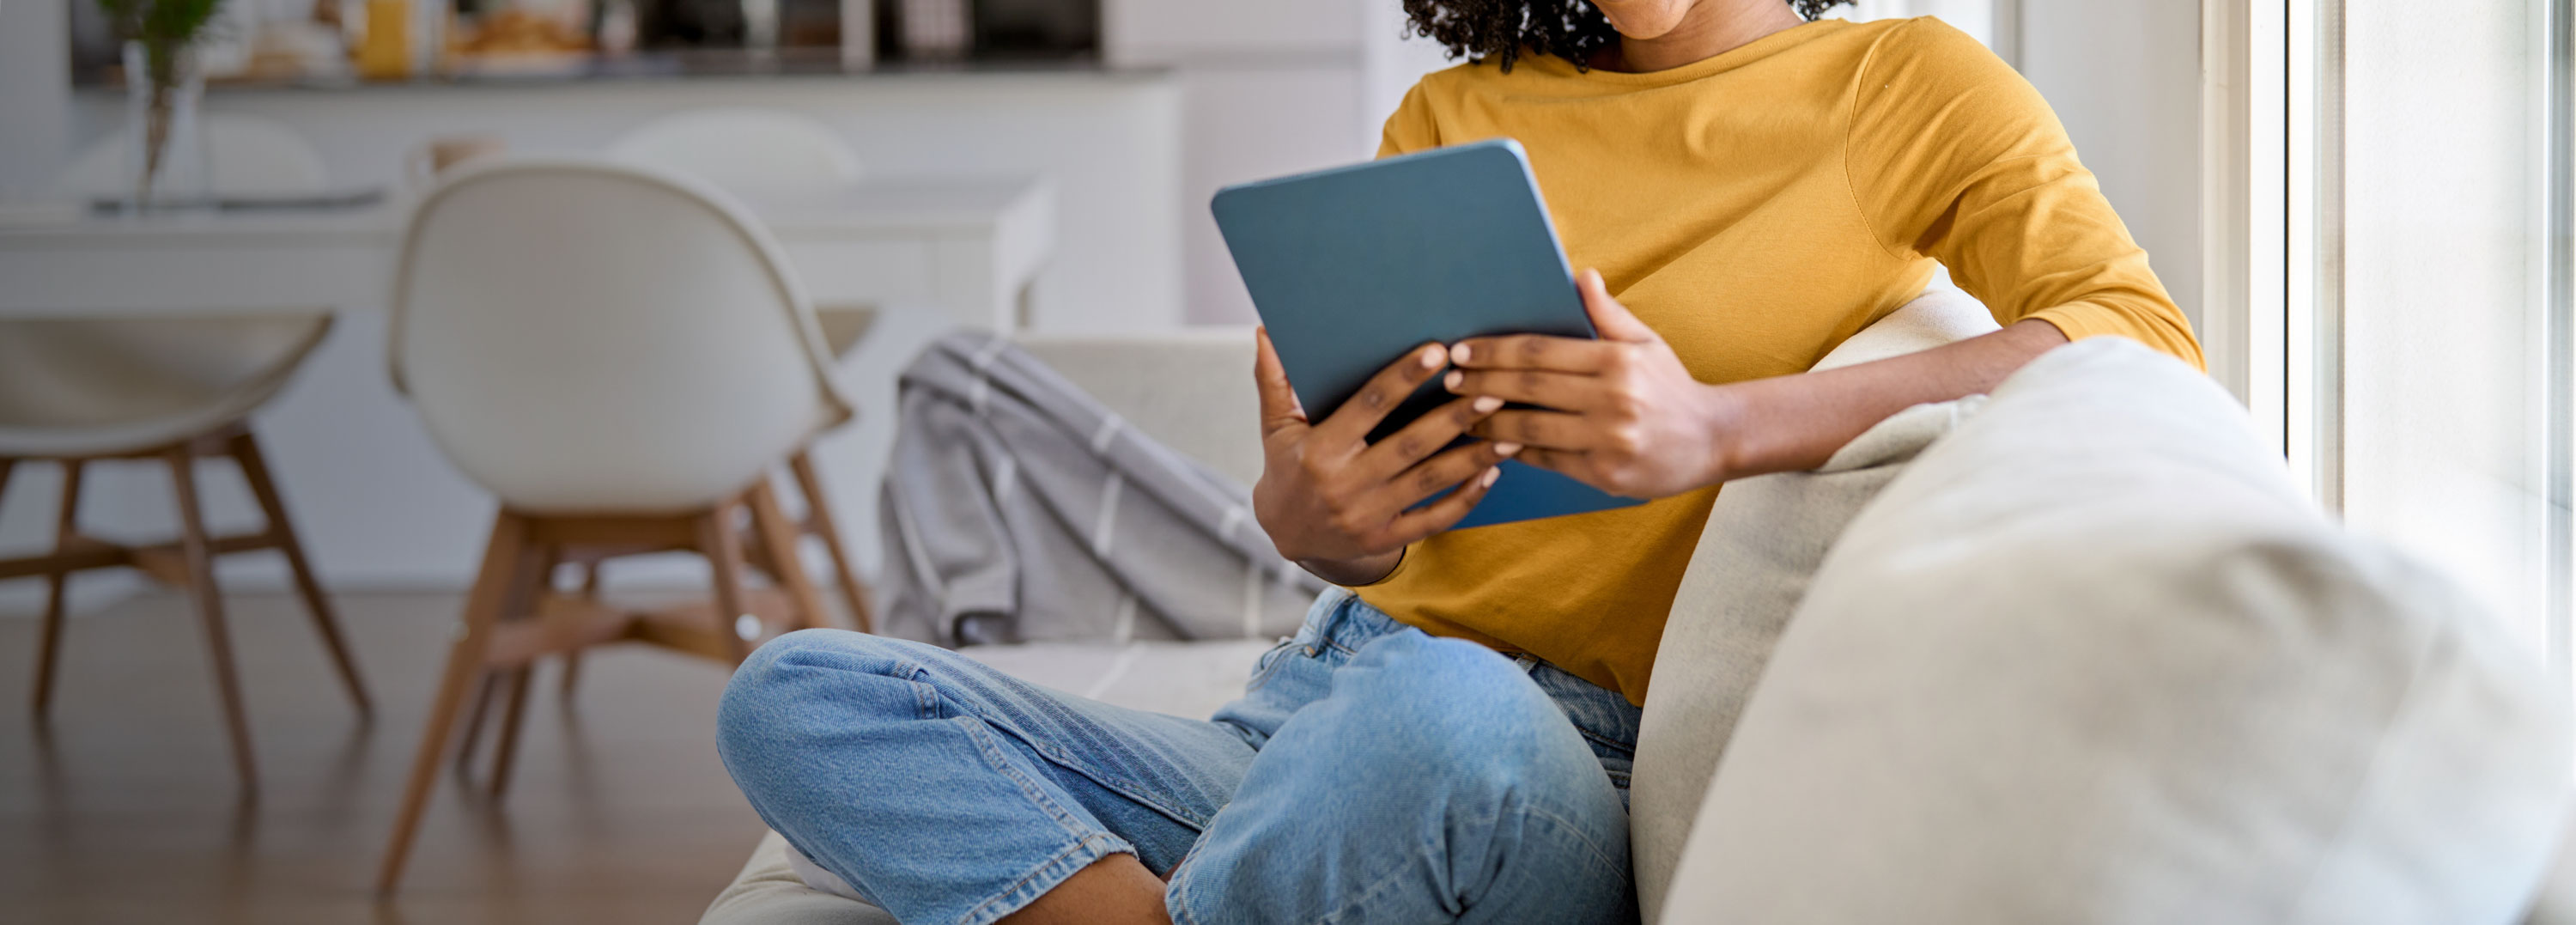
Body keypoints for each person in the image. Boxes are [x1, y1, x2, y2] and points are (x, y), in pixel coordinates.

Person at [715, 0, 2204, 922]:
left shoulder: (1911, 86)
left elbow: (2138, 338)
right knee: (800, 692)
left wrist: (1717, 427)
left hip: (1531, 768)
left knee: (1440, 709)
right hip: (1311, 704)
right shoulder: (1454, 113)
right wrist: (1308, 515)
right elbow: (1358, 521)